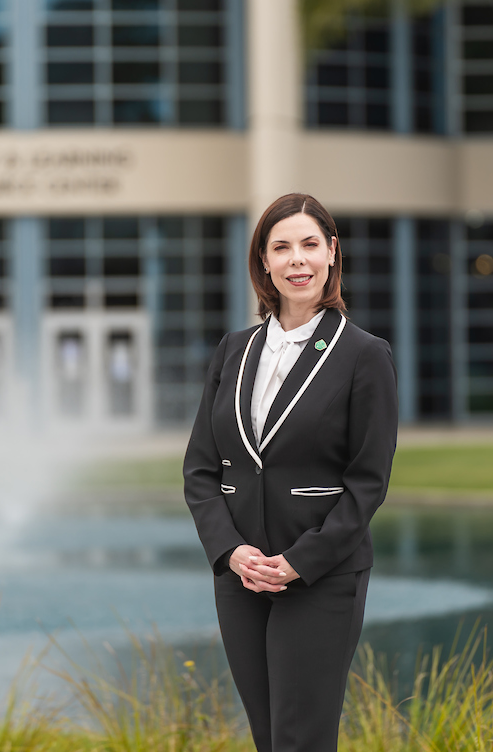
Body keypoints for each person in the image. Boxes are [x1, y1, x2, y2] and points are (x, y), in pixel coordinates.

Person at [183, 193, 398, 752]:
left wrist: (299, 563)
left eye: (309, 245)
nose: (297, 260)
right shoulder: (233, 349)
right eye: (281, 247)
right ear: (263, 262)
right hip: (241, 578)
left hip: (321, 578)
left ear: (332, 253)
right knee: (269, 738)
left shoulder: (363, 355)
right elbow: (201, 472)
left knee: (301, 740)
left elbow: (367, 483)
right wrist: (231, 553)